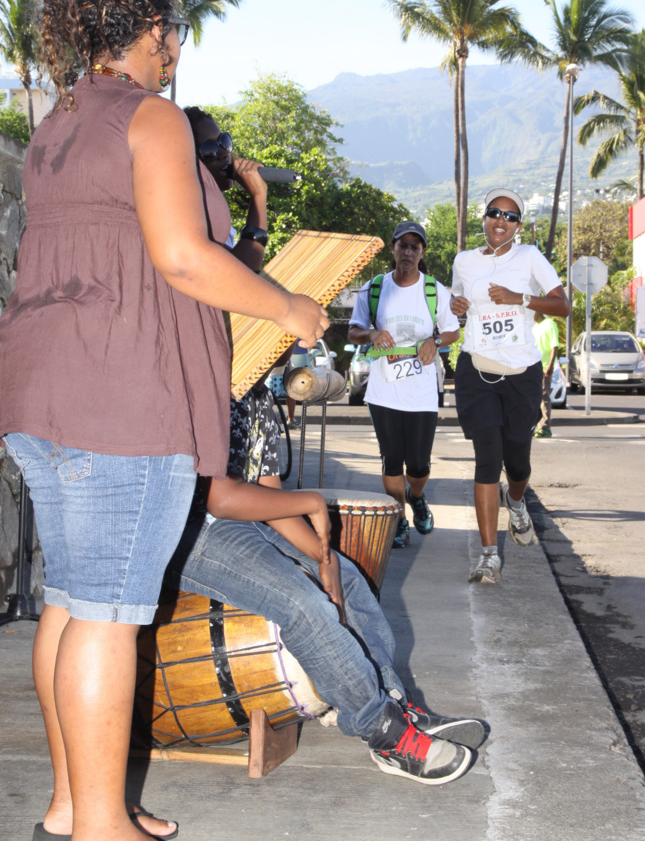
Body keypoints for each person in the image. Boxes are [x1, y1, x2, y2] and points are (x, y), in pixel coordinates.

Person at [0, 0, 327, 841]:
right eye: (173, 27)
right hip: (120, 399)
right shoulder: (152, 119)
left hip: (41, 393)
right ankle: (102, 825)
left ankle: (74, 805)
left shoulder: (59, 124)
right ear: (152, 29)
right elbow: (183, 258)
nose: (177, 44)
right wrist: (290, 306)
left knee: (71, 601)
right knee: (108, 615)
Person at [167, 389, 487, 786]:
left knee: (347, 577)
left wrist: (325, 557)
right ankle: (382, 731)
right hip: (184, 529)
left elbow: (270, 497)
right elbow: (221, 500)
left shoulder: (258, 394)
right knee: (304, 604)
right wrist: (314, 505)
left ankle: (391, 700)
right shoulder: (204, 380)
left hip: (240, 520)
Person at [450, 189, 570, 585]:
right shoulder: (464, 261)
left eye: (511, 216)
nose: (501, 220)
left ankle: (515, 501)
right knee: (487, 458)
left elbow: (563, 305)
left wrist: (521, 298)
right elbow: (457, 300)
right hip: (477, 370)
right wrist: (456, 306)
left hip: (521, 373)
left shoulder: (530, 257)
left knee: (517, 461)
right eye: (494, 212)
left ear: (518, 225)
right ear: (484, 218)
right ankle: (489, 556)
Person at [347, 222, 460, 548]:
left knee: (419, 464)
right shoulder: (374, 288)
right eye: (403, 245)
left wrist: (435, 341)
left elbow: (452, 330)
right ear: (393, 248)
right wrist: (371, 334)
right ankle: (398, 518)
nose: (408, 252)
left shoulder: (434, 290)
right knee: (391, 458)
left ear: (422, 252)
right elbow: (354, 330)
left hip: (422, 392)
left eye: (415, 246)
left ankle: (417, 495)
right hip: (383, 390)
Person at [532, 311, 560, 438]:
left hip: (544, 367)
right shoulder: (535, 327)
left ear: (537, 311)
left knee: (544, 397)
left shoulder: (550, 324)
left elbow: (555, 346)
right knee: (534, 398)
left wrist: (551, 365)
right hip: (534, 366)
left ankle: (545, 427)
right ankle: (536, 426)